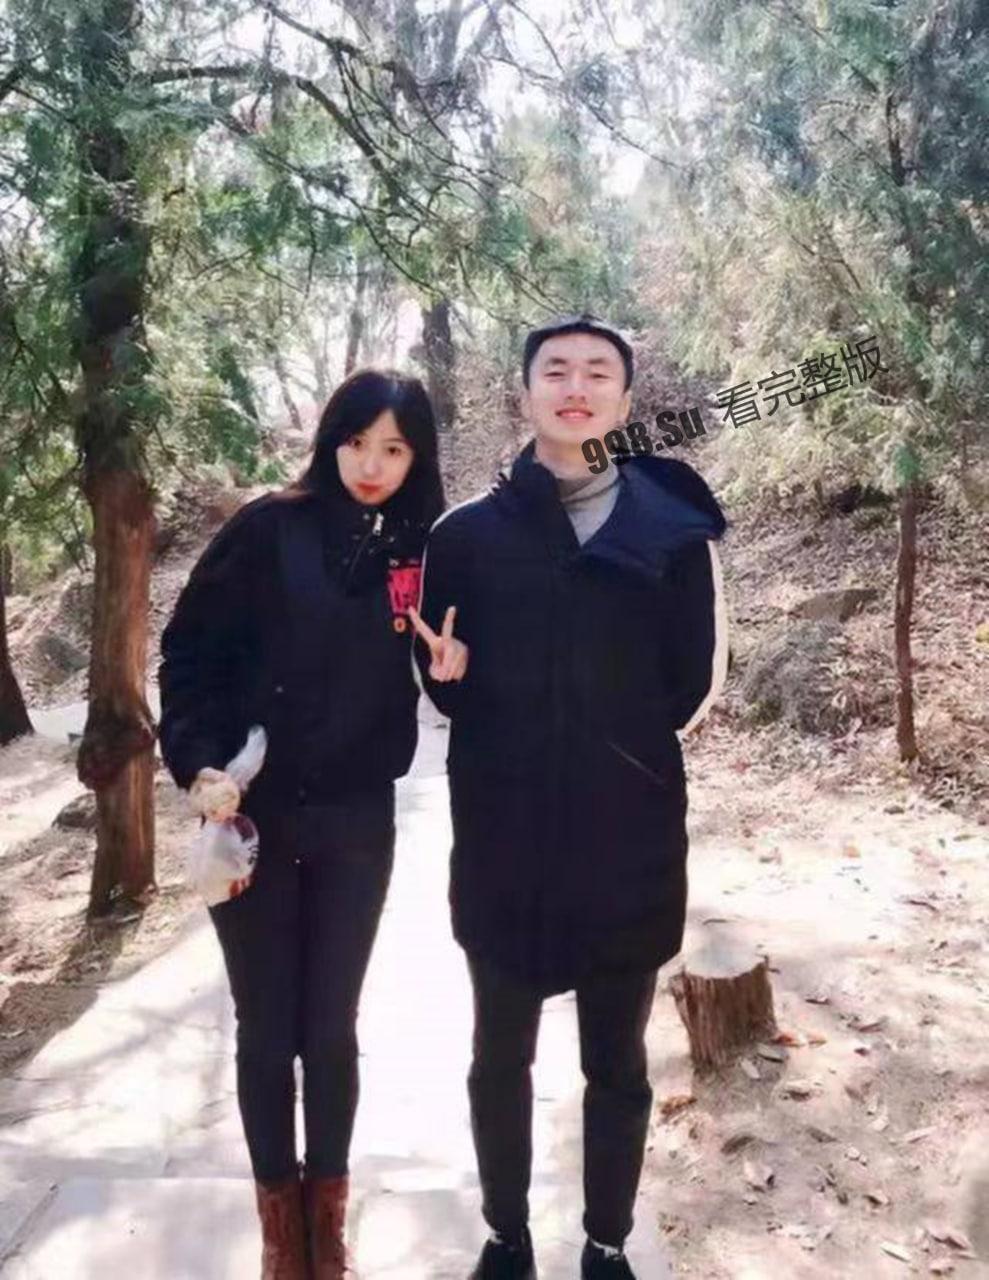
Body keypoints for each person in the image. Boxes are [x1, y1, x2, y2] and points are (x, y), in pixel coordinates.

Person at [409, 315, 728, 1280]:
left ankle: (605, 1242)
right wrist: (450, 677)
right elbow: (442, 678)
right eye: (555, 370)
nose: (576, 387)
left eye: (597, 373)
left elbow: (693, 681)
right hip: (503, 834)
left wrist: (613, 748)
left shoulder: (671, 528)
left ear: (624, 401)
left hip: (627, 837)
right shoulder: (465, 535)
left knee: (616, 1063)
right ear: (525, 394)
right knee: (497, 1056)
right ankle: (505, 1238)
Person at [158, 369, 444, 1280]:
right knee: (266, 1026)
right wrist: (198, 760)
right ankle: (282, 1238)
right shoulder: (267, 529)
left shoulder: (424, 549)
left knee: (330, 1028)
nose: (371, 464)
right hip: (254, 816)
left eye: (394, 448)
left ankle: (328, 1231)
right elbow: (188, 652)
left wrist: (457, 670)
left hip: (357, 821)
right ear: (329, 440)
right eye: (356, 442)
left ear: (417, 458)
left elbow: (461, 672)